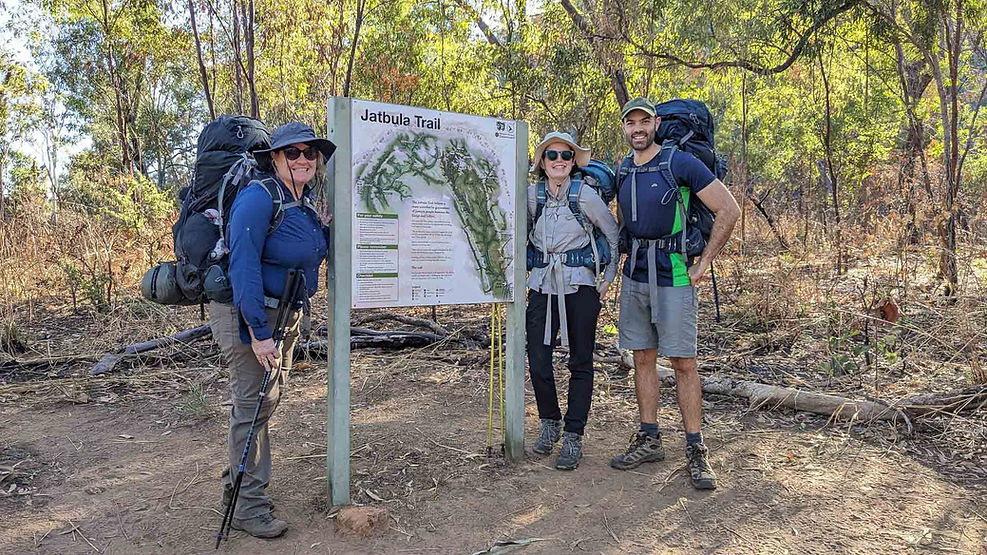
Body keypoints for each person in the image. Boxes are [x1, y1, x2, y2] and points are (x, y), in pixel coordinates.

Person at [210, 122, 335, 538]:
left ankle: (237, 489)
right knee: (252, 407)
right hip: (251, 316)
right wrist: (259, 333)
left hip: (285, 315)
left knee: (266, 402)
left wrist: (327, 228)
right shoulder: (258, 198)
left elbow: (307, 251)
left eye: (309, 153)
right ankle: (248, 507)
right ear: (276, 158)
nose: (303, 159)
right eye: (293, 153)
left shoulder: (303, 201)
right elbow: (242, 267)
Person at [608, 98, 740, 489]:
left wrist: (705, 262)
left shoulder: (679, 162)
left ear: (657, 123)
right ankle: (650, 438)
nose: (637, 128)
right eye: (630, 122)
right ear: (624, 128)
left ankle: (696, 450)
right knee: (642, 358)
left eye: (644, 121)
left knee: (683, 362)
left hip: (676, 272)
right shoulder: (624, 168)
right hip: (635, 274)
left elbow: (729, 209)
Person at [526, 131, 619, 470]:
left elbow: (612, 234)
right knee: (538, 359)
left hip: (580, 287)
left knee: (581, 361)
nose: (560, 160)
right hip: (541, 286)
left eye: (566, 155)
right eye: (552, 155)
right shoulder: (531, 197)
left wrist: (607, 280)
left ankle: (573, 436)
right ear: (542, 162)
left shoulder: (586, 196)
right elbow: (517, 236)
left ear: (574, 160)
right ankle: (550, 421)